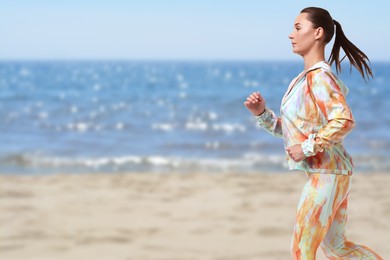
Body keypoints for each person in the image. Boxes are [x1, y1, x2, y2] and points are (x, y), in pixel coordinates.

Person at [244, 6, 383, 260]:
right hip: (331, 172)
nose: (291, 35)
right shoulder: (304, 78)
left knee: (301, 249)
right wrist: (262, 113)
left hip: (327, 174)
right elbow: (290, 132)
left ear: (318, 33)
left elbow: (343, 120)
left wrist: (308, 147)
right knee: (336, 248)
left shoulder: (320, 77)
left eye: (298, 28)